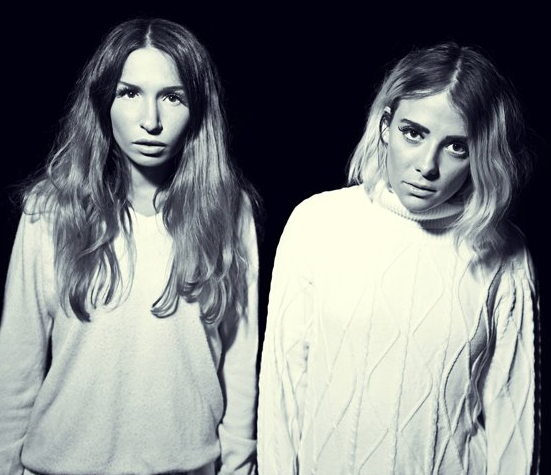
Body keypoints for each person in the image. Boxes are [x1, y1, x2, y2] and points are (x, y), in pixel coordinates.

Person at [258, 42, 539, 475]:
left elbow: (512, 421)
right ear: (386, 125)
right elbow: (282, 393)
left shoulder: (503, 251)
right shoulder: (317, 223)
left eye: (456, 147)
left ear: (480, 154)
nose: (427, 165)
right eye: (414, 133)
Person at [0, 18, 259, 475]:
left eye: (172, 97)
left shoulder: (227, 209)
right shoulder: (51, 209)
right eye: (130, 93)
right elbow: (16, 363)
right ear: (104, 100)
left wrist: (238, 466)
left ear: (198, 108)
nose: (150, 121)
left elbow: (240, 357)